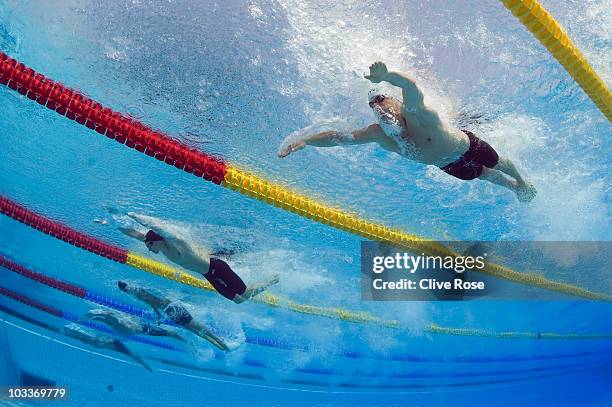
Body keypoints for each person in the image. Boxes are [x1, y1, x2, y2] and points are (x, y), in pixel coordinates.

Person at [279, 61, 537, 202]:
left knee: (497, 163)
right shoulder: (378, 133)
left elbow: (410, 85)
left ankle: (522, 181)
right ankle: (514, 190)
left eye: (382, 99)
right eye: (374, 103)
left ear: (394, 101)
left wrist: (387, 75)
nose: (378, 106)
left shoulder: (415, 112)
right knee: (483, 176)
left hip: (465, 146)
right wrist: (305, 141)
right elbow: (338, 138)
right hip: (447, 164)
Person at [115, 211, 279, 304]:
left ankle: (272, 280)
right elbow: (136, 234)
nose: (148, 249)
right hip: (208, 275)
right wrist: (116, 220)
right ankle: (269, 281)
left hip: (217, 267)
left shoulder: (175, 246)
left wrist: (134, 215)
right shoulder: (161, 248)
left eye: (149, 245)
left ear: (155, 241)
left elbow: (160, 228)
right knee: (239, 300)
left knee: (246, 293)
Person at [117, 280, 230, 351]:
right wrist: (159, 316)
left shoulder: (139, 293)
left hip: (172, 312)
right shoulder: (140, 292)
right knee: (198, 329)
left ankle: (222, 346)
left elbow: (157, 301)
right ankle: (223, 344)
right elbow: (158, 301)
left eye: (126, 290)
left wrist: (160, 314)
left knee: (197, 330)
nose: (128, 291)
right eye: (126, 290)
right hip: (173, 310)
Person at [60, 323, 152, 372]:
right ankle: (146, 365)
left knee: (132, 355)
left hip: (112, 343)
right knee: (132, 355)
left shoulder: (94, 341)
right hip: (110, 343)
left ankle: (146, 365)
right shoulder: (94, 340)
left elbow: (82, 337)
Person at [84, 308, 185, 342]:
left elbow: (102, 317)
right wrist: (94, 314)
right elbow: (106, 315)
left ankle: (183, 339)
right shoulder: (118, 322)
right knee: (171, 333)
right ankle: (184, 340)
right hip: (144, 329)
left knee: (104, 319)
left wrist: (92, 315)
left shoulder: (116, 323)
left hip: (133, 330)